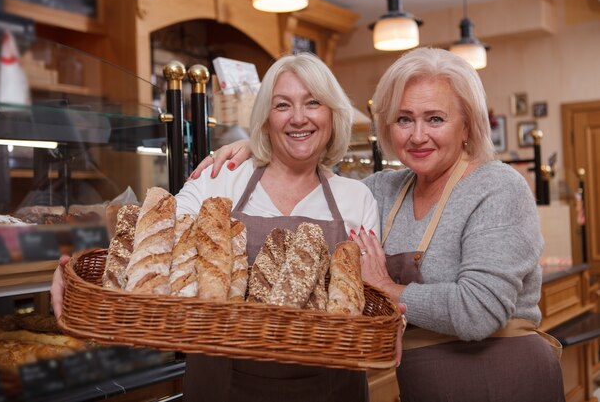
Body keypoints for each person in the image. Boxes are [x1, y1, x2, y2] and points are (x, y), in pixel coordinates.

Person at [190, 47, 566, 402]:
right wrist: (255, 149)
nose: (417, 135)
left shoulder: (498, 187)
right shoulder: (380, 192)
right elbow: (307, 174)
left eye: (435, 118)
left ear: (467, 125)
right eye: (404, 119)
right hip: (422, 386)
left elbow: (477, 311)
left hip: (502, 380)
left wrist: (387, 287)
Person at [51, 52, 386, 402]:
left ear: (333, 113)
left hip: (330, 388)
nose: (298, 118)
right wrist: (72, 267)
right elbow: (153, 237)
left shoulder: (355, 198)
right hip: (222, 384)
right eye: (282, 105)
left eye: (313, 102)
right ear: (266, 118)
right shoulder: (223, 177)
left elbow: (364, 299)